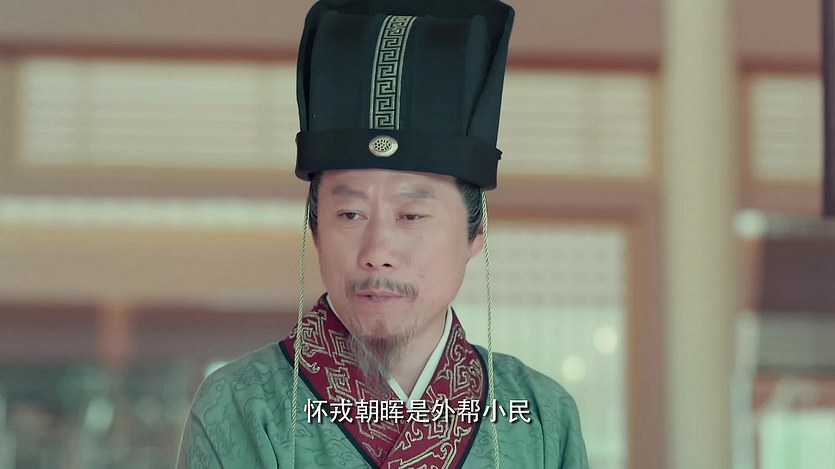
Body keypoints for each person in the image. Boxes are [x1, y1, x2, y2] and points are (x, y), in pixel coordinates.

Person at [177, 0, 589, 467]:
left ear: (476, 232)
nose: (377, 252)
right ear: (315, 228)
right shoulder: (240, 405)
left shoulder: (542, 415)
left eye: (411, 216)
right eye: (351, 214)